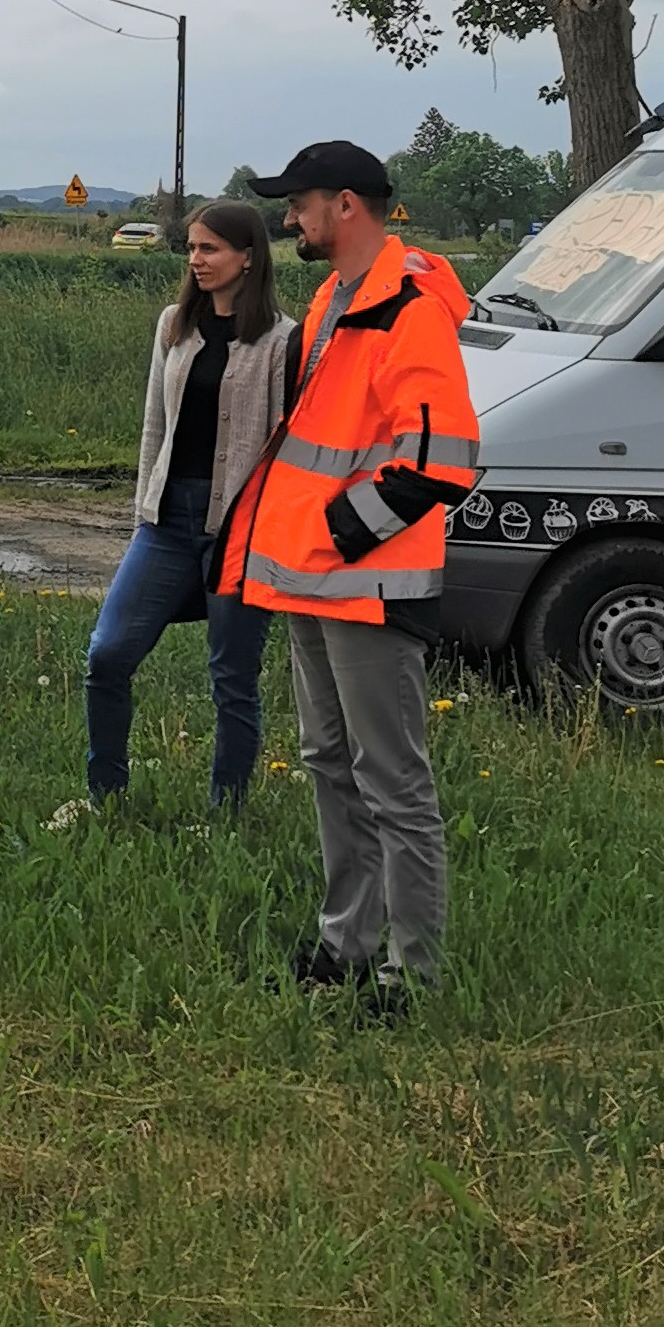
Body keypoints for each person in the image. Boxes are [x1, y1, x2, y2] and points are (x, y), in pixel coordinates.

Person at [221, 141, 478, 1005]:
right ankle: (347, 946)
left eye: (297, 203)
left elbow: (439, 461)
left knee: (392, 782)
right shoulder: (335, 297)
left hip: (367, 586)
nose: (286, 218)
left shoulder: (409, 309)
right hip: (308, 577)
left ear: (345, 205)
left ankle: (414, 974)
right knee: (328, 762)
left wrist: (338, 531)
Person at [84, 199, 299, 810]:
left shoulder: (285, 342)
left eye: (210, 248)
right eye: (193, 248)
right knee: (108, 654)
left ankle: (226, 812)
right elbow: (155, 426)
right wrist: (140, 518)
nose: (196, 259)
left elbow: (287, 447)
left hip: (241, 533)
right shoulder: (173, 324)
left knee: (232, 679)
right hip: (167, 522)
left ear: (248, 257)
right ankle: (106, 796)